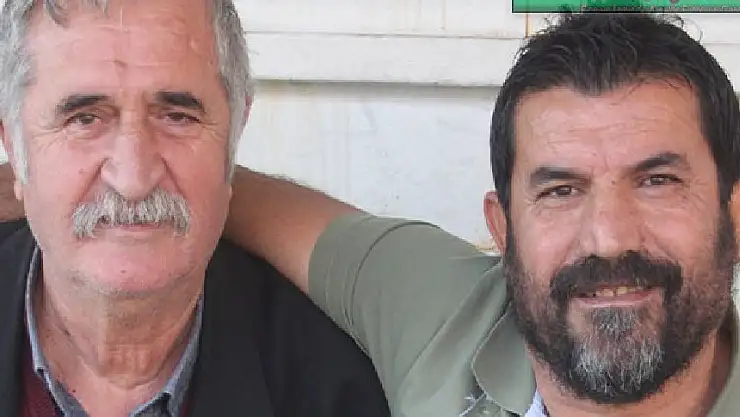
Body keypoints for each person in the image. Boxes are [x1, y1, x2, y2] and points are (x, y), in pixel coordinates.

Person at [4, 10, 740, 417]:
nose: (608, 237)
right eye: (560, 190)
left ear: (733, 213)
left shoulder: (336, 381)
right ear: (502, 229)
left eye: (658, 181)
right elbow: (225, 197)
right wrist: (43, 182)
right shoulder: (437, 312)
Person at [0, 1, 390, 416]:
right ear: (14, 148)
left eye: (177, 117)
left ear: (234, 134)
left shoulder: (339, 382)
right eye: (84, 119)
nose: (133, 178)